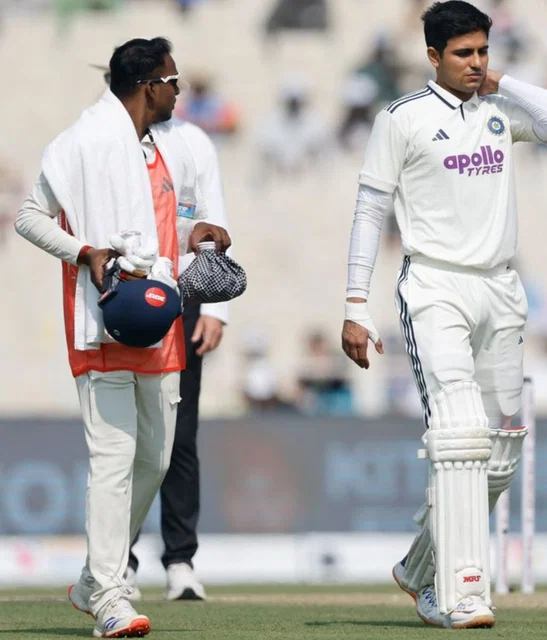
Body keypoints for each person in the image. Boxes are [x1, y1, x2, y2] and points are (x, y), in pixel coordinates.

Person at [340, 1, 547, 629]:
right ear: (432, 56)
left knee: (500, 453)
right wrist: (355, 306)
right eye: (463, 54)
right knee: (459, 433)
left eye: (482, 52)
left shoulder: (500, 108)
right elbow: (370, 212)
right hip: (435, 287)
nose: (476, 64)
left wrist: (502, 83)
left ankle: (419, 565)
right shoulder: (401, 119)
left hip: (501, 288)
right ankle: (460, 592)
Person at [14, 37, 230, 638]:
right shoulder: (81, 141)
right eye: (172, 79)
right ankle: (110, 592)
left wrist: (197, 233)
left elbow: (163, 220)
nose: (178, 89)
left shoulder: (167, 149)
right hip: (102, 315)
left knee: (156, 460)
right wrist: (84, 250)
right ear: (146, 85)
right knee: (112, 459)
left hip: (159, 316)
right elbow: (30, 216)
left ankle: (91, 577)